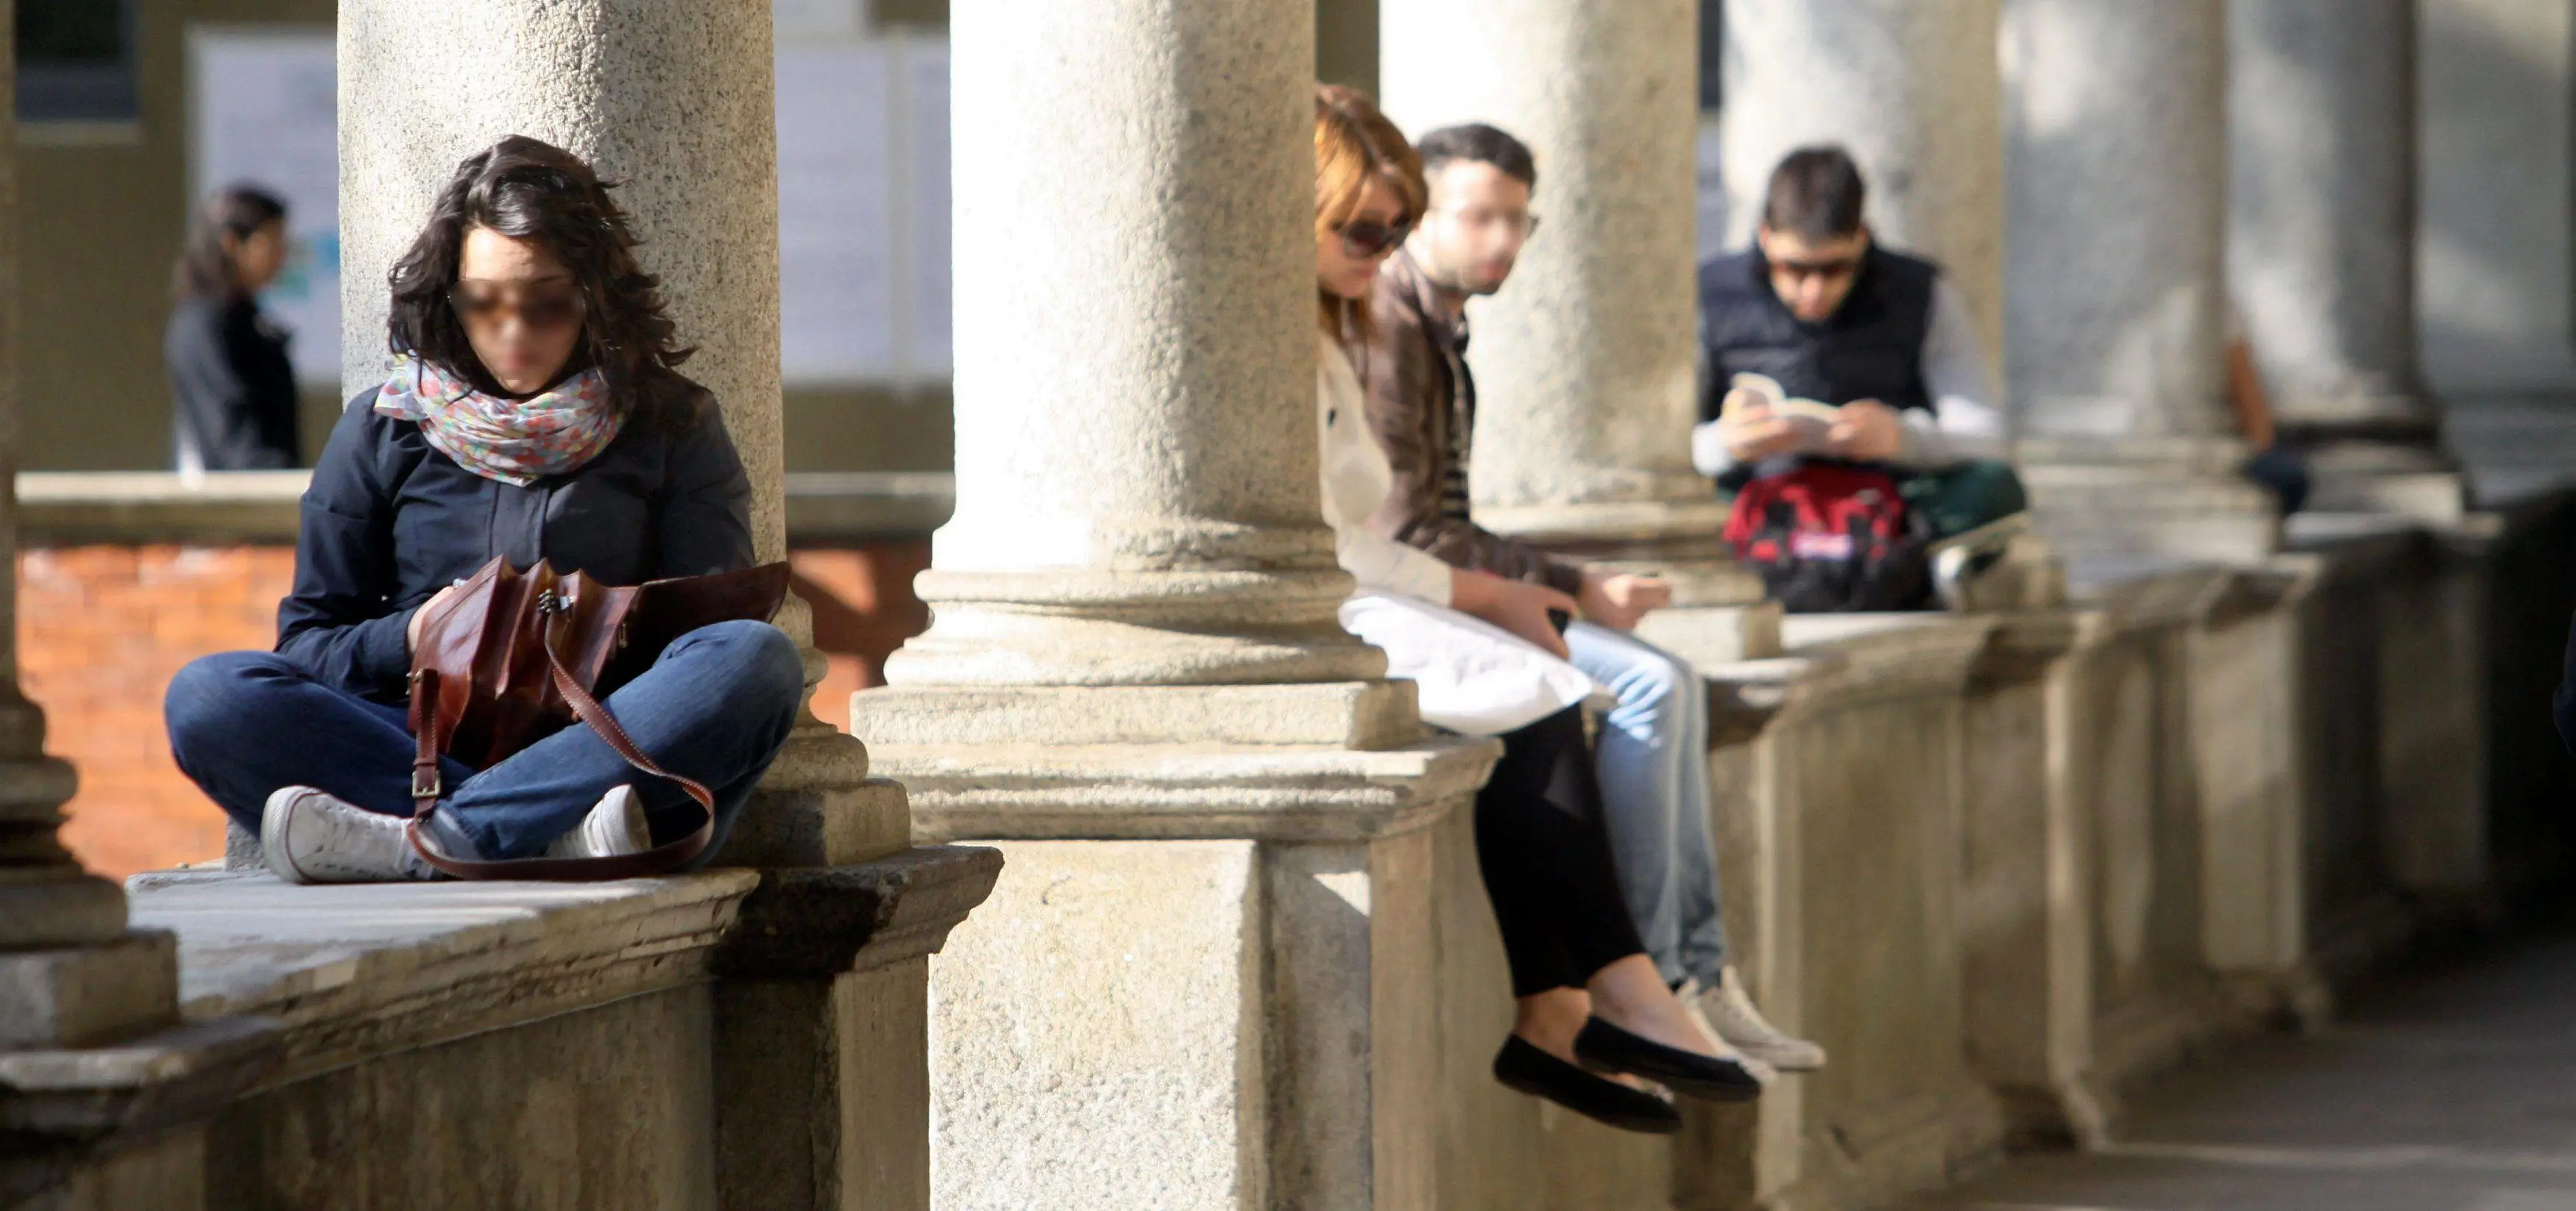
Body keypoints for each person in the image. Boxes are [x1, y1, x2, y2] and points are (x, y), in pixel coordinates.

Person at [162, 135, 804, 884]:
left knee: (756, 660)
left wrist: (589, 627)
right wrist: (412, 632)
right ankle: (529, 835)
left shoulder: (672, 422)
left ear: (595, 294)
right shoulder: (384, 426)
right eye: (484, 302)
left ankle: (440, 838)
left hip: (600, 748)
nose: (514, 330)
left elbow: (707, 639)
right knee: (209, 694)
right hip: (420, 749)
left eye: (547, 302)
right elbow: (308, 645)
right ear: (449, 295)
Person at [1314, 85, 1765, 1135]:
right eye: (1367, 227)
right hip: (1344, 597)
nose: (1385, 248)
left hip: (1378, 585)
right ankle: (1624, 986)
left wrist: (1532, 588)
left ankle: (1611, 991)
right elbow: (1387, 533)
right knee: (1585, 683)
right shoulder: (1377, 324)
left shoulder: (1353, 316)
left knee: (1581, 684)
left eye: (1397, 224)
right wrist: (1541, 586)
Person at [1694, 145, 2026, 541]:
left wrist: (1902, 439)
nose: (1814, 290)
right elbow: (1664, 448)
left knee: (1994, 487)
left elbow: (1985, 436)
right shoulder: (1711, 293)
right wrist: (1726, 442)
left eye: (1835, 268)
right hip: (1759, 500)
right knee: (1683, 499)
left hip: (1882, 503)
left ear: (1862, 239)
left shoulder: (1920, 291)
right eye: (1794, 268)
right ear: (1766, 238)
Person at [166, 185, 302, 471]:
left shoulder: (251, 322)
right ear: (232, 243)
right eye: (272, 242)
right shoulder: (203, 326)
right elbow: (231, 431)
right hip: (226, 501)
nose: (283, 254)